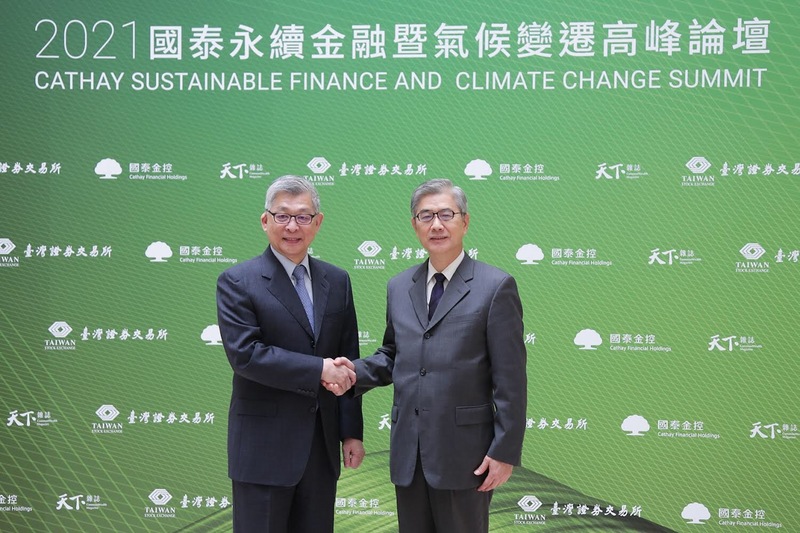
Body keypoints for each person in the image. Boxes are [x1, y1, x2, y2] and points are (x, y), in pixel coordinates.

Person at [333, 178, 527, 532]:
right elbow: (393, 354)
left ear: (465, 221)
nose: (436, 224)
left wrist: (504, 451)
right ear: (414, 225)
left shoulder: (495, 286)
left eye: (446, 214)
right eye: (426, 216)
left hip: (466, 456)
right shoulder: (399, 286)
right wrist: (352, 373)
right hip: (409, 452)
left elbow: (510, 379)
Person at [216, 175, 364, 533]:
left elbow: (348, 358)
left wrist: (351, 432)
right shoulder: (238, 281)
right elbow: (246, 355)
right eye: (282, 216)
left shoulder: (337, 280)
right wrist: (319, 370)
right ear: (265, 220)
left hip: (320, 449)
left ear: (318, 222)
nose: (292, 227)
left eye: (302, 216)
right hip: (263, 451)